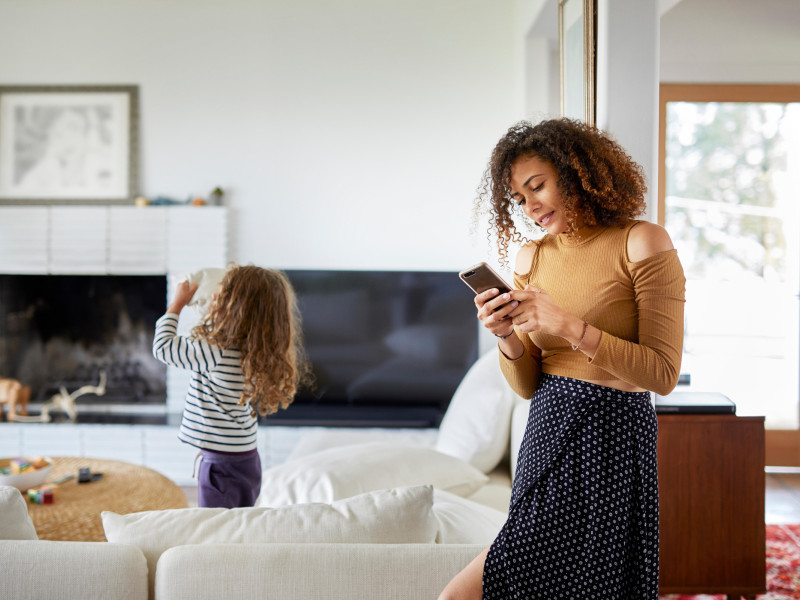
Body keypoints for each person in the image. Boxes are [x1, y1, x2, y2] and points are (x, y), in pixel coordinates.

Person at [439, 118, 685, 599]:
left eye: (538, 187)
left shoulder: (643, 242)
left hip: (612, 439)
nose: (529, 206)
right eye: (518, 198)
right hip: (547, 430)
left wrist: (567, 325)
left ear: (579, 175)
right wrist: (506, 335)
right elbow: (529, 383)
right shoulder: (531, 258)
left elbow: (662, 373)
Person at [153, 265, 311, 508]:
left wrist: (177, 304)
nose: (216, 294)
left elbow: (163, 347)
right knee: (240, 520)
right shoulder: (257, 351)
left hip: (220, 466)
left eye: (224, 291)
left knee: (217, 527)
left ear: (233, 306)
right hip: (246, 456)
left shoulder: (214, 350)